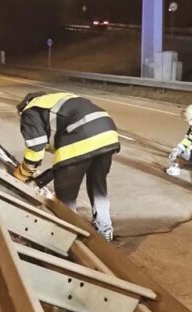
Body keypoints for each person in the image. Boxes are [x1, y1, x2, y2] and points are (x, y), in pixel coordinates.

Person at [13, 92, 120, 241]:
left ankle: (70, 235)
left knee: (66, 196)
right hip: (108, 134)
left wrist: (22, 174)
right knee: (98, 186)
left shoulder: (30, 111)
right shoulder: (55, 100)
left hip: (81, 136)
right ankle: (105, 230)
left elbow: (36, 149)